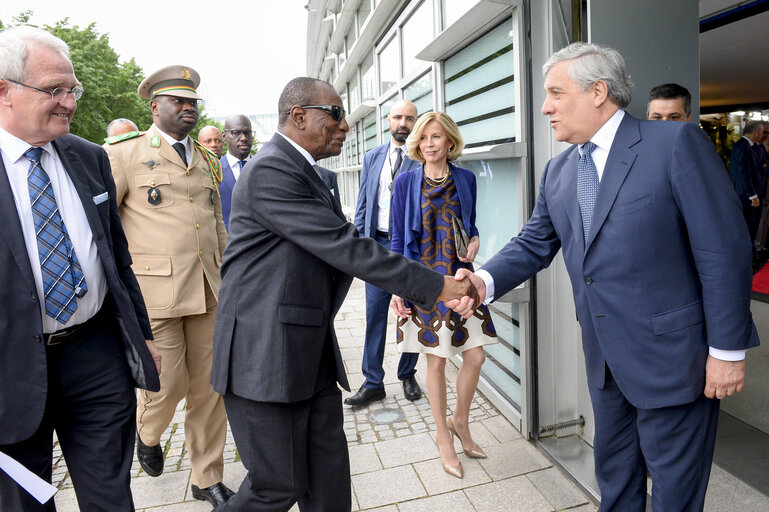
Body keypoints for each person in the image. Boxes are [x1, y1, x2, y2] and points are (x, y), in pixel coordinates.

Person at [450, 42, 758, 511]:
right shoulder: (558, 171)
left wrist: (728, 351)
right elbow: (533, 243)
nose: (545, 106)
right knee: (614, 480)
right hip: (606, 362)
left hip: (676, 361)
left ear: (598, 92)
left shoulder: (674, 144)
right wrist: (482, 281)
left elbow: (724, 250)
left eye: (555, 92)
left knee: (675, 494)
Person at [210, 77, 478, 511]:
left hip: (306, 347)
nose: (345, 125)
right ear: (298, 116)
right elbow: (346, 247)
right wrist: (439, 286)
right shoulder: (271, 170)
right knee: (277, 486)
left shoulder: (309, 172)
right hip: (263, 356)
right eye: (335, 113)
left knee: (329, 481)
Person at [0, 26, 160, 511]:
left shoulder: (90, 158)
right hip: (9, 371)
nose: (69, 101)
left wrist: (143, 335)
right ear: (3, 90)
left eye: (73, 89)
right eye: (54, 90)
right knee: (25, 502)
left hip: (95, 357)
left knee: (112, 498)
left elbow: (116, 257)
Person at [103, 65, 233, 507]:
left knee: (211, 387)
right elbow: (106, 225)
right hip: (155, 293)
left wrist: (228, 269)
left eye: (192, 101)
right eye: (178, 101)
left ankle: (206, 477)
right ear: (154, 107)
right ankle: (149, 430)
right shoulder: (124, 154)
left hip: (208, 288)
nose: (188, 108)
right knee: (168, 384)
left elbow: (215, 220)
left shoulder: (206, 157)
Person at [390, 111, 497, 479]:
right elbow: (396, 241)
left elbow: (472, 225)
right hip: (423, 281)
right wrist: (398, 288)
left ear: (450, 141)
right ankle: (443, 437)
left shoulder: (465, 179)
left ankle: (460, 421)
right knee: (435, 361)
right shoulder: (405, 183)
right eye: (424, 138)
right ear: (417, 144)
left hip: (460, 276)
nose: (430, 144)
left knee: (476, 356)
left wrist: (477, 238)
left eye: (437, 137)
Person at [347, 99, 423, 407]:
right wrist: (360, 245)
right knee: (375, 314)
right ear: (387, 121)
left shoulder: (421, 158)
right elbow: (364, 201)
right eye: (397, 117)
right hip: (377, 246)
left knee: (409, 313)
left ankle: (407, 374)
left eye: (409, 118)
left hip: (409, 249)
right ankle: (373, 382)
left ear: (415, 122)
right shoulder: (372, 156)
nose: (402, 123)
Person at [729, 120, 766, 254]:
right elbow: (744, 173)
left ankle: (749, 255)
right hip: (745, 197)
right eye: (763, 132)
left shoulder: (750, 147)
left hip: (749, 195)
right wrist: (753, 196)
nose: (764, 135)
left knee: (751, 227)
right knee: (747, 227)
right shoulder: (742, 147)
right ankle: (745, 256)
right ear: (756, 132)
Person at [219, 115, 254, 230]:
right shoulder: (212, 171)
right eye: (236, 133)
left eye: (247, 133)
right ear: (224, 136)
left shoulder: (265, 169)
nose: (244, 138)